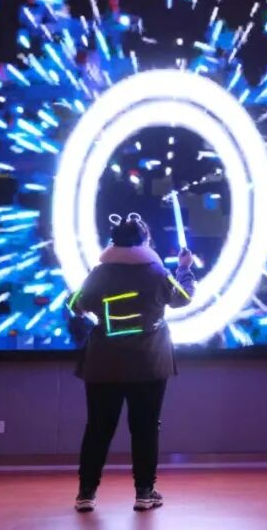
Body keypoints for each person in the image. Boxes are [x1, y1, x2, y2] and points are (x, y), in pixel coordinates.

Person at [69, 213, 195, 513]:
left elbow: (76, 305)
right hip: (149, 363)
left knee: (98, 428)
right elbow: (183, 298)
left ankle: (86, 493)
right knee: (146, 428)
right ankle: (144, 493)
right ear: (145, 239)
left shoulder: (100, 273)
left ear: (112, 241)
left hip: (103, 364)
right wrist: (184, 269)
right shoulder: (157, 272)